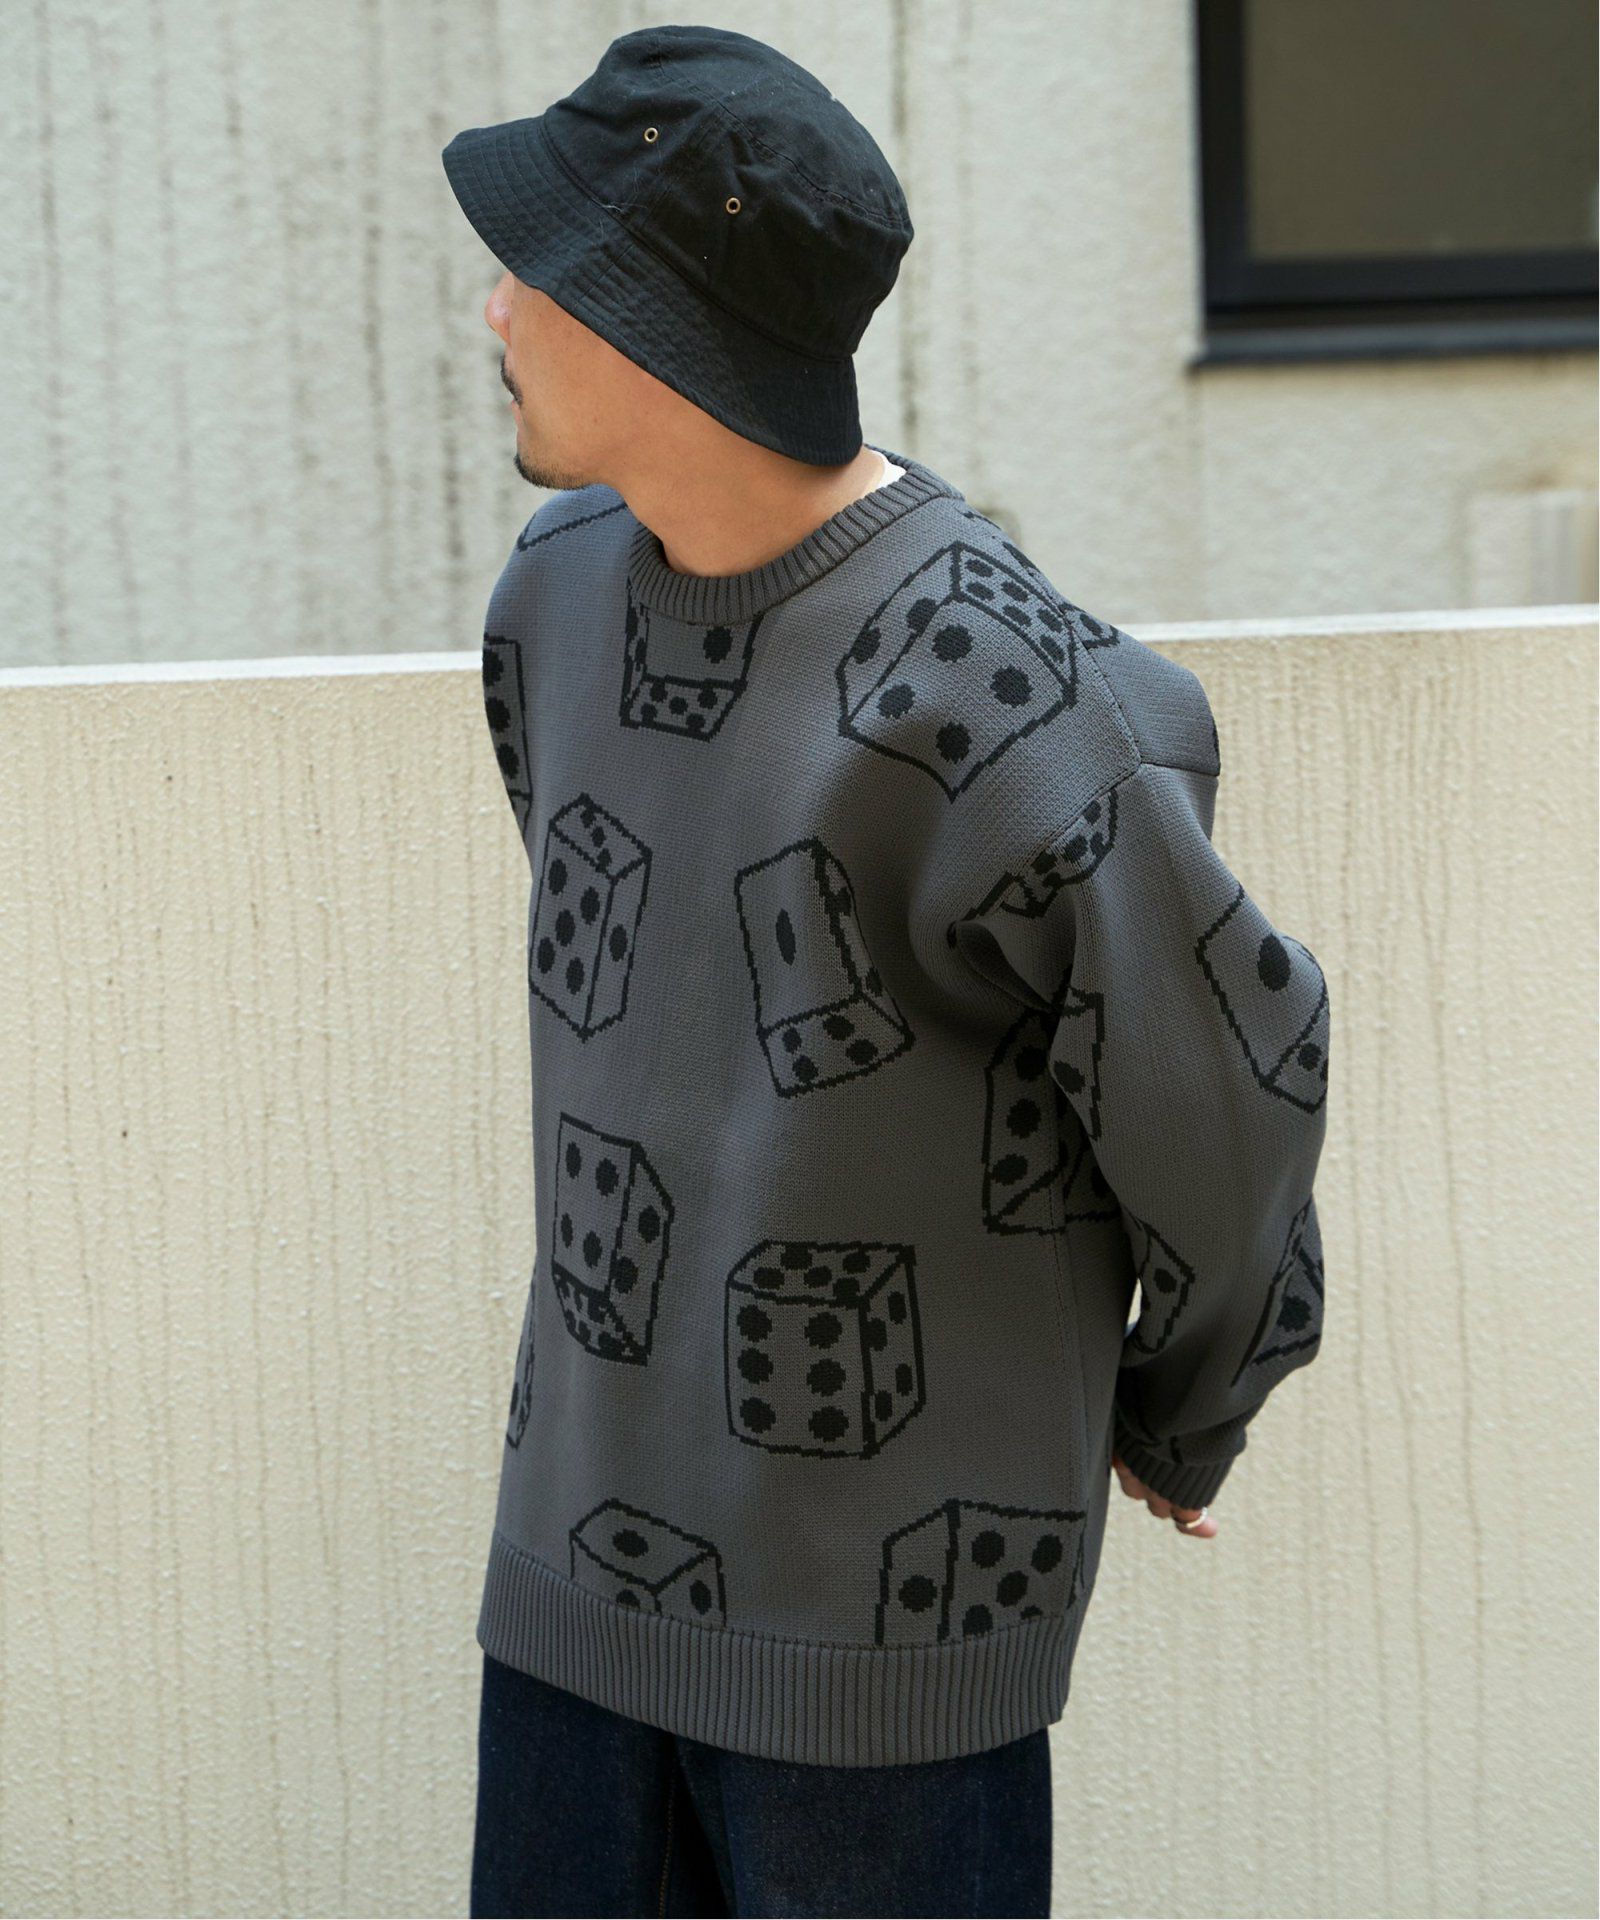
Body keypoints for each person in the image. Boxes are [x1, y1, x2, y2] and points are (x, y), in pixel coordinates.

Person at [442, 24, 1329, 1918]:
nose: (495, 305)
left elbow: (1231, 1084)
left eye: (537, 267)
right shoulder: (555, 594)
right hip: (572, 1595)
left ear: (656, 323)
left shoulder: (1009, 703)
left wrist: (1190, 1402)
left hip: (882, 1673)